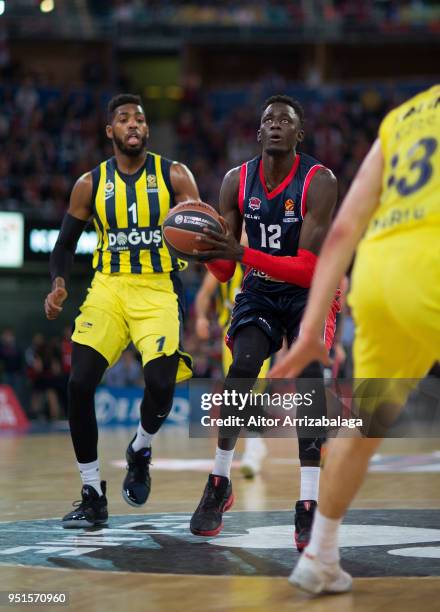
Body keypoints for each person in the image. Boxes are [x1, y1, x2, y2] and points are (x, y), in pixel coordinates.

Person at [269, 84, 440, 593]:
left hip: (382, 274)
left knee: (363, 426)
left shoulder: (403, 117)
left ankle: (320, 556)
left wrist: (309, 332)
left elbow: (343, 231)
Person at [189, 94, 340, 547]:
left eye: (285, 121)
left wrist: (241, 253)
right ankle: (218, 483)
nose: (275, 125)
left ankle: (308, 502)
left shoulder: (319, 181)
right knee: (241, 368)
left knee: (311, 381)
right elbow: (226, 269)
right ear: (258, 133)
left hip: (309, 292)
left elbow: (310, 268)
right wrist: (204, 250)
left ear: (299, 133)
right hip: (260, 290)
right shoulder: (236, 181)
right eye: (268, 120)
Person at [44, 93, 199, 528]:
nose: (134, 124)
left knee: (161, 383)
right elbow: (63, 246)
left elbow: (200, 227)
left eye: (140, 119)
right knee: (78, 384)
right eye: (124, 119)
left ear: (147, 131)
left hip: (158, 287)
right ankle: (92, 494)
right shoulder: (90, 184)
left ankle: (141, 448)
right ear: (110, 131)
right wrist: (58, 284)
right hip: (109, 289)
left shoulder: (175, 175)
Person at [195, 265, 269, 478]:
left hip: (263, 328)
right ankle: (254, 444)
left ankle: (254, 446)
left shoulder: (266, 258)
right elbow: (204, 294)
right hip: (232, 330)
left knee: (254, 387)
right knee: (239, 391)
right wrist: (201, 317)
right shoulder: (225, 265)